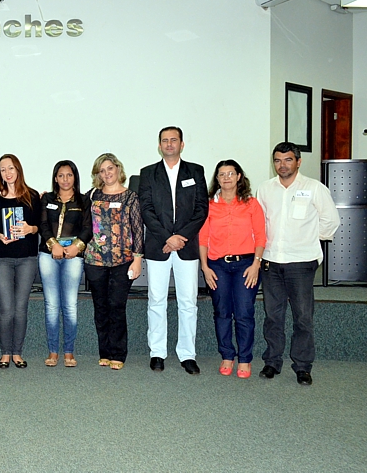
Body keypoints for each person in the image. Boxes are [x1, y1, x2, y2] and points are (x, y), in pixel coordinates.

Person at [256, 142, 339, 386]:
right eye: (278, 160)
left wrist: (309, 241)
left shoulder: (314, 188)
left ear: (298, 162)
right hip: (271, 262)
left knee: (303, 317)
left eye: (288, 160)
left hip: (301, 264)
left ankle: (302, 366)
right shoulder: (265, 189)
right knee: (273, 316)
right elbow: (259, 224)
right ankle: (272, 362)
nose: (282, 165)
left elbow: (330, 221)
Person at [138, 126, 208, 375]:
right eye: (165, 141)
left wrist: (181, 237)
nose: (169, 144)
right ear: (159, 145)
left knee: (188, 301)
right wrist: (168, 237)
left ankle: (187, 354)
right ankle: (157, 352)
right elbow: (146, 209)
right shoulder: (148, 173)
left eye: (174, 140)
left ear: (182, 144)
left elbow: (202, 209)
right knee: (156, 300)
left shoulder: (195, 171)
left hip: (187, 247)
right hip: (159, 245)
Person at [199, 160, 266, 379]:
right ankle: (227, 355)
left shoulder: (251, 204)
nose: (226, 177)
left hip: (246, 265)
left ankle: (245, 359)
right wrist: (205, 267)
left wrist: (256, 264)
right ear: (216, 179)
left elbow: (261, 236)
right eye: (221, 174)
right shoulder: (209, 205)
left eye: (230, 173)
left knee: (245, 313)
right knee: (222, 312)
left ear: (239, 176)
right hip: (217, 265)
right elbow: (203, 238)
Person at [84, 153, 144, 371]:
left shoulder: (130, 197)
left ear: (118, 169)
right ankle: (105, 352)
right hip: (95, 260)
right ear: (98, 174)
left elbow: (138, 230)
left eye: (110, 168)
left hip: (123, 260)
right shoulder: (91, 195)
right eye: (102, 170)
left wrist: (138, 260)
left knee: (117, 306)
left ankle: (118, 353)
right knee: (100, 307)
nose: (107, 173)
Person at [0, 154, 40, 369]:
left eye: (10, 168)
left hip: (27, 259)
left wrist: (29, 229)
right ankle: (5, 352)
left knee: (21, 308)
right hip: (2, 259)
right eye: (2, 169)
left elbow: (39, 227)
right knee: (6, 309)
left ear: (18, 169)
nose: (7, 173)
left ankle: (17, 352)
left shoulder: (32, 196)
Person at [39, 160, 91, 368]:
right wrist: (54, 246)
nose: (65, 179)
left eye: (69, 175)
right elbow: (43, 225)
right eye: (61, 175)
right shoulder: (47, 199)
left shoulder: (84, 200)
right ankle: (53, 351)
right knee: (51, 305)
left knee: (70, 305)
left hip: (73, 256)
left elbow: (88, 228)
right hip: (48, 255)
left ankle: (69, 351)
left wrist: (76, 247)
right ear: (55, 178)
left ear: (75, 177)